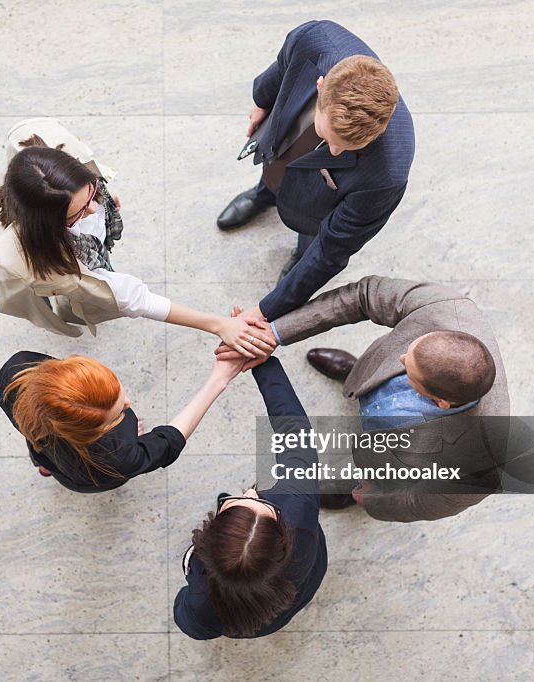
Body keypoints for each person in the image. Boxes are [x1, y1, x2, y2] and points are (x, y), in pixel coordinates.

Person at [219, 275, 510, 522]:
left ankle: (345, 488)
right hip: (381, 375)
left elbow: (422, 503)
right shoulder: (447, 308)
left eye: (409, 369)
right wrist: (273, 333)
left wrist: (369, 499)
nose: (401, 356)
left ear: (442, 403)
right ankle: (355, 374)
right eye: (412, 349)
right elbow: (363, 295)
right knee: (375, 372)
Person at [0, 118, 274, 359]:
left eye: (91, 192)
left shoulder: (57, 177)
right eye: (77, 214)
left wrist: (99, 194)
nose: (93, 209)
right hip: (72, 269)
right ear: (49, 222)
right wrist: (219, 324)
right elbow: (137, 300)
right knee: (79, 299)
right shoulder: (55, 263)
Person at [216, 21, 415, 325]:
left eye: (348, 146)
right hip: (289, 136)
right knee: (278, 162)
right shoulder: (315, 38)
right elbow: (284, 64)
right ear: (320, 86)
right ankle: (263, 195)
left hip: (318, 203)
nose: (334, 153)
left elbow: (331, 250)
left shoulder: (386, 176)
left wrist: (268, 310)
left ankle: (298, 254)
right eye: (332, 138)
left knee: (312, 233)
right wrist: (261, 101)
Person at [174, 355, 327, 639]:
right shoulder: (298, 504)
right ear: (283, 537)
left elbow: (186, 618)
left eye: (243, 499)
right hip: (296, 592)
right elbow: (295, 434)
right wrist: (262, 361)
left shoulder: (200, 605)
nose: (250, 491)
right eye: (258, 501)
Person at [0, 350, 245, 493]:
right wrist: (219, 380)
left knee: (45, 458)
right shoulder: (118, 457)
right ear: (91, 433)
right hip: (88, 478)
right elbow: (167, 443)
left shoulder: (15, 372)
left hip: (44, 447)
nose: (129, 402)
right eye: (116, 416)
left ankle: (45, 467)